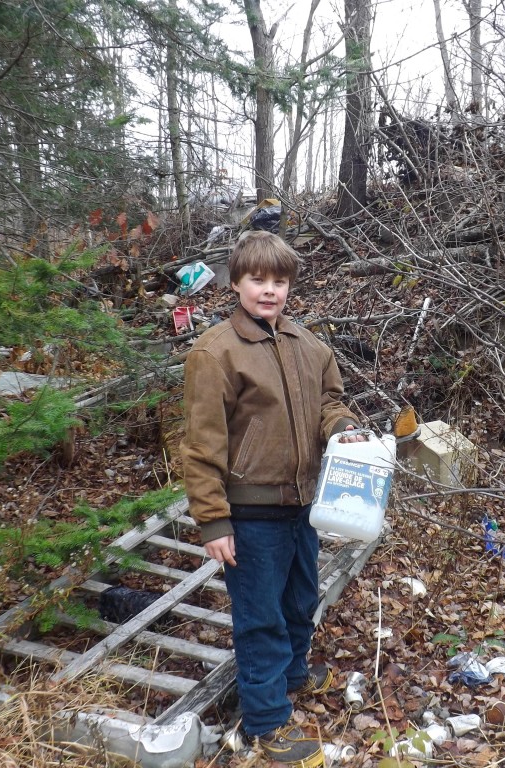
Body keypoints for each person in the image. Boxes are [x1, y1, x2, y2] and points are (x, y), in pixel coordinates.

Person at [180, 230, 366, 768]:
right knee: (260, 617)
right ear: (236, 282)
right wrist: (214, 522)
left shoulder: (309, 346)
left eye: (279, 281)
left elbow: (331, 402)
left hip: (303, 505)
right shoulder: (215, 352)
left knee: (300, 600)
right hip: (250, 514)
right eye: (258, 279)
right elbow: (201, 445)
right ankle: (266, 722)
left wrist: (343, 428)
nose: (269, 290)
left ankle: (294, 676)